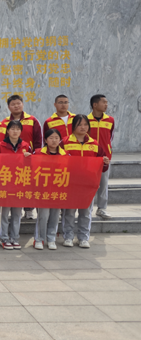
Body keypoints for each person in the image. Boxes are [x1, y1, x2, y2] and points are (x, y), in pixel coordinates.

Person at [61, 114, 110, 248]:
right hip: (70, 183)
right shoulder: (65, 142)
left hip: (88, 184)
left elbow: (102, 166)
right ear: (73, 127)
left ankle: (83, 238)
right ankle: (68, 237)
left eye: (85, 125)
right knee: (69, 212)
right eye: (79, 125)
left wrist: (105, 162)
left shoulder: (94, 144)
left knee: (86, 212)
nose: (83, 127)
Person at [0, 120, 32, 250]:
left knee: (17, 213)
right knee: (4, 214)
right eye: (12, 129)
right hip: (5, 183)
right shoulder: (0, 146)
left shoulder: (26, 146)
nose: (15, 131)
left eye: (18, 129)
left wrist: (29, 157)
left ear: (21, 131)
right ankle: (4, 238)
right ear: (8, 131)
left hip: (19, 184)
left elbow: (30, 166)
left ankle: (15, 238)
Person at [4, 95, 42, 220]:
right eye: (13, 104)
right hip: (11, 159)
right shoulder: (4, 122)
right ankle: (15, 209)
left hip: (28, 157)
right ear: (9, 107)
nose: (16, 106)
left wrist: (35, 155)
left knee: (28, 184)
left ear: (22, 104)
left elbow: (38, 140)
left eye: (18, 103)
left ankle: (29, 209)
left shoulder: (32, 120)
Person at [33, 129, 66, 251]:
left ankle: (51, 238)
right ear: (46, 140)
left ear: (60, 140)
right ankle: (39, 239)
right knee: (43, 215)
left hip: (58, 190)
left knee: (55, 216)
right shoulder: (38, 153)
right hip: (43, 190)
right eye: (51, 138)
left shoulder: (65, 155)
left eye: (56, 138)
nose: (54, 140)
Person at [88, 94, 115, 219]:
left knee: (103, 184)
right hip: (90, 158)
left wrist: (107, 150)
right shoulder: (85, 120)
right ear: (95, 105)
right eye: (103, 102)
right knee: (89, 183)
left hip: (105, 157)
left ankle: (102, 208)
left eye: (106, 102)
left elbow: (110, 137)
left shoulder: (110, 120)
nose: (106, 105)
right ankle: (87, 208)